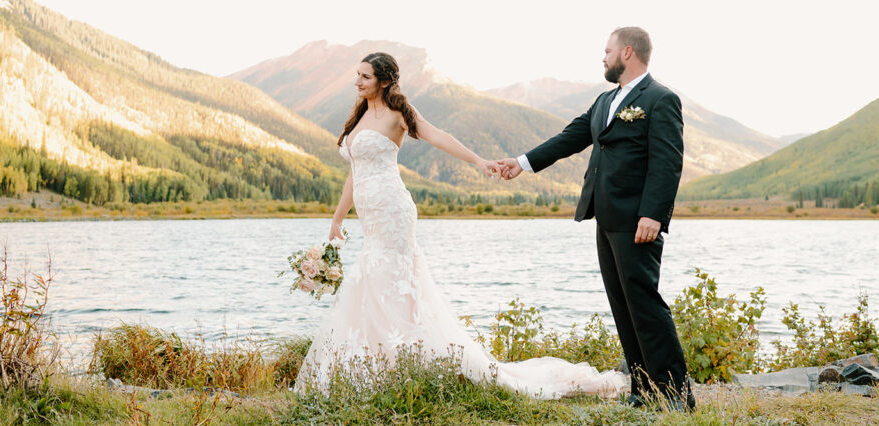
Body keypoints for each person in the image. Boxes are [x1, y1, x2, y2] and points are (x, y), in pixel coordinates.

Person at [293, 51, 627, 399]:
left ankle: (411, 364)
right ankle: (381, 366)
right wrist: (336, 217)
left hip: (393, 211)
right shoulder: (359, 116)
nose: (357, 81)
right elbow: (355, 173)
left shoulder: (398, 114)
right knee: (373, 280)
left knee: (392, 280)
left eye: (365, 76)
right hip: (370, 215)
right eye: (357, 75)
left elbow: (439, 136)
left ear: (385, 80)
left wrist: (479, 161)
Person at [497, 27, 694, 411]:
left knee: (646, 306)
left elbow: (668, 163)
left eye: (607, 51)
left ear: (627, 52)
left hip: (639, 220)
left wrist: (653, 214)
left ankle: (675, 397)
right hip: (604, 216)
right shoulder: (604, 100)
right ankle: (643, 391)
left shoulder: (660, 99)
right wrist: (521, 163)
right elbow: (571, 137)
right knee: (622, 305)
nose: (602, 58)